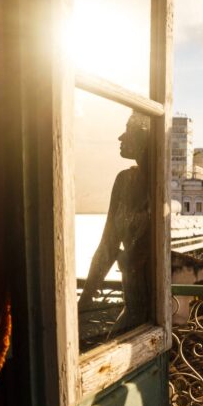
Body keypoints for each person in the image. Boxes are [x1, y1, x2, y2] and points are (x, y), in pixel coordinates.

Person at [78, 112, 151, 339]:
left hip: (152, 313)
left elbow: (113, 248)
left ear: (147, 137)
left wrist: (85, 302)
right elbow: (108, 245)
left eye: (129, 129)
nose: (121, 137)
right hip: (135, 309)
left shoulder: (154, 185)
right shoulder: (125, 181)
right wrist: (85, 300)